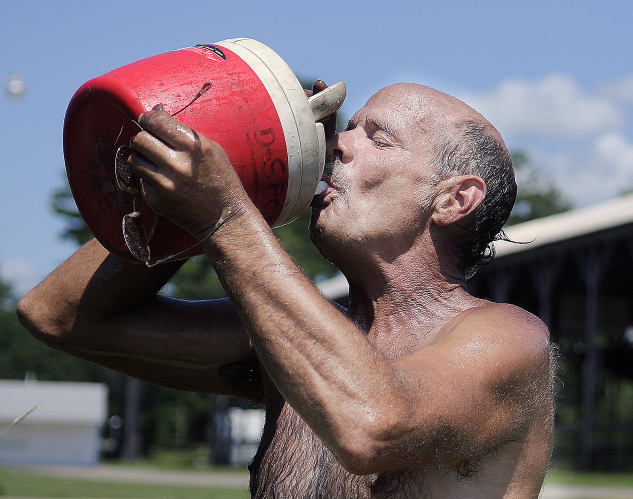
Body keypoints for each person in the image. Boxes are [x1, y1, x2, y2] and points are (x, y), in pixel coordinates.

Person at [17, 81, 555, 498]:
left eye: (378, 138)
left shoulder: (506, 339)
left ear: (454, 200)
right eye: (350, 128)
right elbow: (57, 315)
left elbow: (371, 425)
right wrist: (233, 183)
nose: (337, 143)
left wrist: (226, 215)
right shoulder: (288, 341)